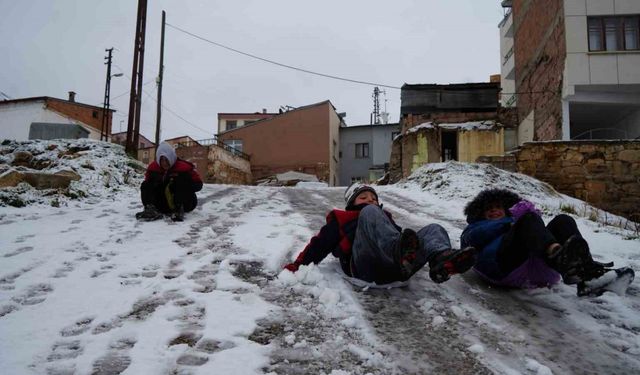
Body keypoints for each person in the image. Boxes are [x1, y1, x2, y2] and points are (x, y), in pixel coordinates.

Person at [284, 183, 477, 285]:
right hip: (365, 267)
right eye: (363, 197)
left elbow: (405, 239)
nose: (370, 201)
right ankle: (398, 254)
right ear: (352, 203)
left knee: (434, 228)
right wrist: (299, 264)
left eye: (374, 198)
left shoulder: (382, 215)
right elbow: (321, 244)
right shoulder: (344, 218)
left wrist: (417, 247)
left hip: (397, 269)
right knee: (370, 214)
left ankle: (441, 260)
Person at [460, 188, 634, 296]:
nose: (494, 212)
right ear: (481, 214)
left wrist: (524, 220)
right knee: (528, 219)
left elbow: (534, 232)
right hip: (503, 267)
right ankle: (559, 255)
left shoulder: (516, 223)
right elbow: (471, 240)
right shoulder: (476, 227)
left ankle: (588, 274)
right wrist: (513, 222)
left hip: (540, 269)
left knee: (563, 220)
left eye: (497, 207)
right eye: (488, 210)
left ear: (505, 209)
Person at [135, 142, 203, 222]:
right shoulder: (153, 168)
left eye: (167, 159)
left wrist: (182, 186)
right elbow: (147, 186)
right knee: (146, 184)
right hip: (163, 204)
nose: (164, 163)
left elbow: (199, 185)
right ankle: (151, 209)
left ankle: (178, 210)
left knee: (179, 181)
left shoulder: (184, 168)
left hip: (186, 204)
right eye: (162, 160)